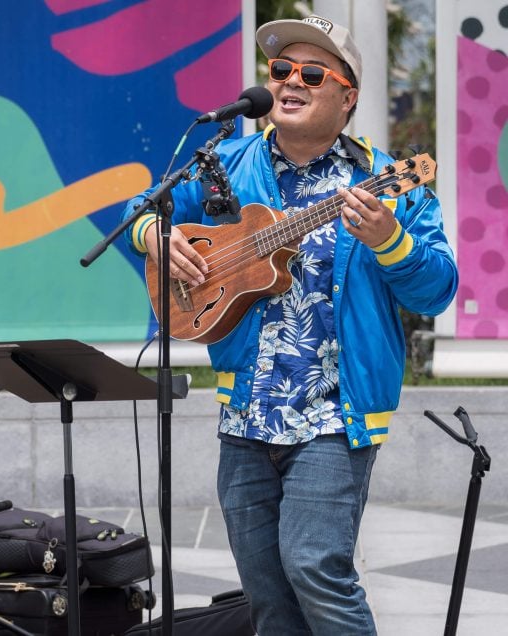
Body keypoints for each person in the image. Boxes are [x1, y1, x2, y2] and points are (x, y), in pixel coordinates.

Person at [122, 15, 457, 635]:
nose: (289, 82)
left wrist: (390, 241)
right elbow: (139, 211)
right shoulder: (226, 162)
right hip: (245, 411)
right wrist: (155, 237)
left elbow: (438, 287)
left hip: (336, 414)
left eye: (310, 72)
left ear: (347, 96)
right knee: (267, 594)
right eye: (280, 71)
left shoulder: (389, 181)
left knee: (315, 567)